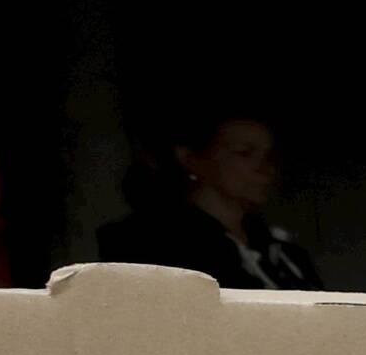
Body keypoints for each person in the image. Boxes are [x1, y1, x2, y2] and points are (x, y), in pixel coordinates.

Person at [97, 109, 318, 287]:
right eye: (244, 153)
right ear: (191, 159)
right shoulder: (147, 241)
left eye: (269, 156)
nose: (266, 169)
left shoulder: (284, 253)